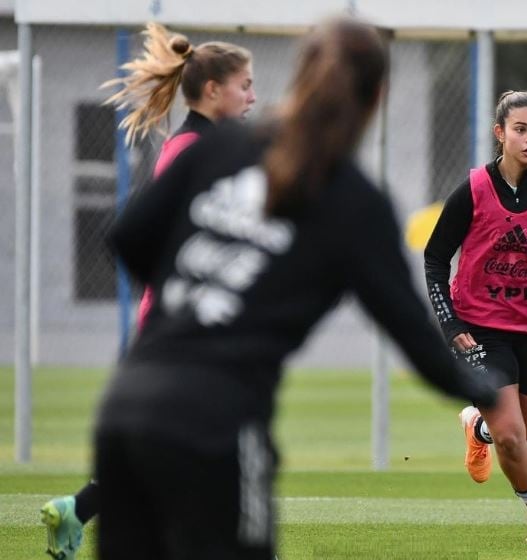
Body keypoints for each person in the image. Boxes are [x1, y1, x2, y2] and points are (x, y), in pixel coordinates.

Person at [92, 16, 497, 560]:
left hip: (124, 407)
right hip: (218, 422)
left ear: (299, 78)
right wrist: (489, 390)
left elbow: (127, 238)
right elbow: (412, 334)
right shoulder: (355, 202)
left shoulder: (219, 148)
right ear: (377, 96)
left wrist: (203, 287)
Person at [40, 23, 256, 560]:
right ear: (212, 91)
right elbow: (150, 237)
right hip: (180, 326)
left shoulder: (203, 144)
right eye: (245, 85)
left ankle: (78, 510)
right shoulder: (192, 149)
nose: (253, 96)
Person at [423, 90, 527, 541]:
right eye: (521, 129)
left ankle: (477, 426)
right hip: (482, 331)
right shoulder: (474, 189)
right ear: (500, 133)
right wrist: (451, 324)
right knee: (513, 440)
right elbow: (435, 259)